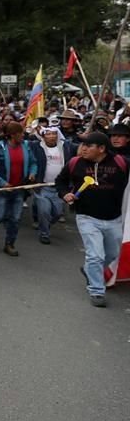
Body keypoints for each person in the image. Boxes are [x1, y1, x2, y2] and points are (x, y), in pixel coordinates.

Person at [56, 132, 129, 307]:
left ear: (102, 149)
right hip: (86, 217)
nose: (83, 149)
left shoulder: (121, 163)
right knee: (95, 254)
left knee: (112, 253)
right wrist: (65, 193)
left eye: (89, 146)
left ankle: (89, 269)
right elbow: (60, 181)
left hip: (114, 218)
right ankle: (96, 290)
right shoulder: (75, 163)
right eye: (83, 145)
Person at [0, 121, 36, 256]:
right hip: (3, 190)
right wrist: (1, 183)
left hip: (19, 188)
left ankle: (10, 244)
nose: (23, 136)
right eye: (20, 133)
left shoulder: (26, 146)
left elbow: (33, 162)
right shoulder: (0, 147)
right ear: (12, 135)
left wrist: (32, 172)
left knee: (16, 218)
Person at [29, 127, 70, 244]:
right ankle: (44, 234)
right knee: (45, 211)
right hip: (43, 186)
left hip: (59, 188)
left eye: (54, 134)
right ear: (43, 136)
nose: (52, 136)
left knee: (57, 213)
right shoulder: (36, 147)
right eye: (49, 134)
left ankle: (44, 224)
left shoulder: (65, 147)